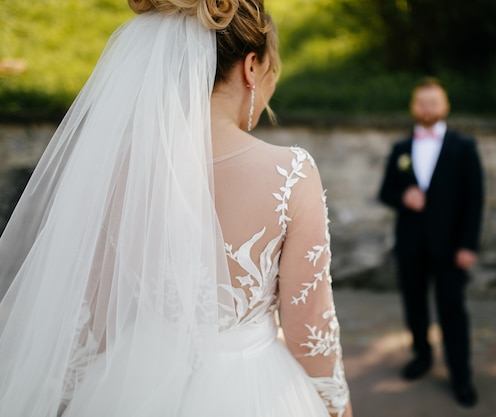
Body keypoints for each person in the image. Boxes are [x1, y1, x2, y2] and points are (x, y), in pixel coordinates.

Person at [0, 1, 352, 416]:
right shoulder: (291, 172)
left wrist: (72, 396)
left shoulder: (118, 165)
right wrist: (336, 406)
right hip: (250, 387)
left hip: (131, 381)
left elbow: (92, 310)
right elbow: (308, 325)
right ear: (251, 67)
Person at [378, 77, 484, 408]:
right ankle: (422, 356)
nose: (427, 108)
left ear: (445, 106)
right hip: (410, 244)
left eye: (433, 102)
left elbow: (474, 198)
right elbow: (385, 192)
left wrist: (468, 245)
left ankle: (461, 374)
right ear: (413, 107)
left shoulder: (463, 147)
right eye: (422, 103)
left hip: (451, 247)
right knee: (414, 304)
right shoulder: (400, 149)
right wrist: (403, 196)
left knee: (452, 308)